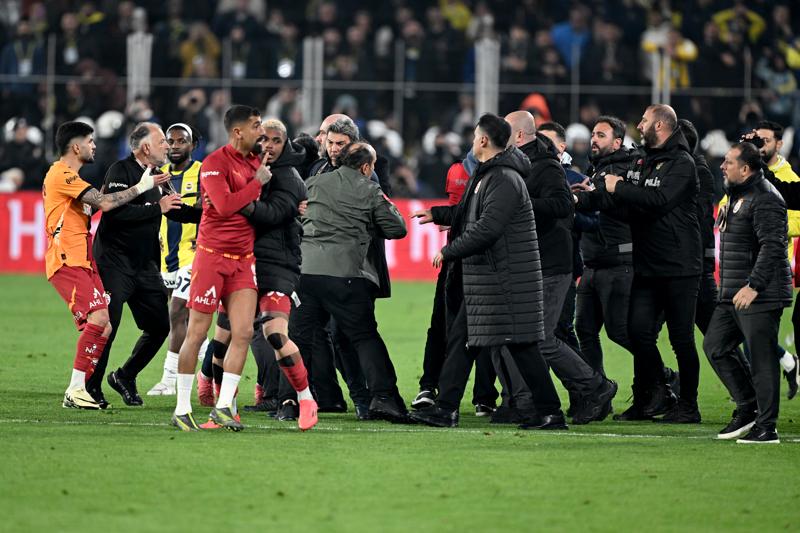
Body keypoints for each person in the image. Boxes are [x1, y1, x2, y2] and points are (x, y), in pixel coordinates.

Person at [409, 113, 568, 430]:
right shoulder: (490, 175)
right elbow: (471, 213)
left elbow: (488, 228)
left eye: (474, 137)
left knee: (521, 346)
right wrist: (439, 214)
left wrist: (449, 250)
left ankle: (550, 412)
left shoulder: (504, 178)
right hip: (488, 279)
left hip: (504, 280)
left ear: (483, 140)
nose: (471, 142)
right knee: (464, 340)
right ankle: (447, 409)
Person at [43, 121, 168, 409]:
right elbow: (106, 204)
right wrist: (142, 187)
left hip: (84, 261)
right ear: (76, 147)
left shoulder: (72, 178)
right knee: (100, 320)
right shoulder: (61, 174)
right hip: (67, 259)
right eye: (90, 141)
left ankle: (85, 388)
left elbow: (95, 203)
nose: (94, 145)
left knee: (105, 325)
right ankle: (77, 389)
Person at [504, 111, 617, 425]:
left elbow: (561, 205)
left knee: (542, 337)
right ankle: (535, 404)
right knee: (528, 337)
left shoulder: (546, 166)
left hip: (552, 264)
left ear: (519, 135)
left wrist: (522, 203)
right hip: (532, 262)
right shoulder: (518, 164)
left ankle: (595, 387)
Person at [288, 142, 410, 422]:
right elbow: (397, 228)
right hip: (345, 276)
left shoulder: (313, 183)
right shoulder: (369, 189)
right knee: (364, 337)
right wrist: (367, 224)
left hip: (305, 274)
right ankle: (384, 398)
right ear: (366, 167)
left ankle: (289, 402)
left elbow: (295, 217)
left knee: (299, 340)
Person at [171, 105, 275, 432]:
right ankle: (182, 408)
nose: (261, 131)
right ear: (238, 131)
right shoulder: (215, 163)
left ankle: (223, 407)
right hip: (211, 258)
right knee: (197, 332)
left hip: (243, 260)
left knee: (243, 332)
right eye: (256, 125)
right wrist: (257, 183)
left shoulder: (256, 161)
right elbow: (225, 205)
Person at [602, 104, 702, 423]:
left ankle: (689, 405)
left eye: (644, 120)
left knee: (681, 340)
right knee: (637, 333)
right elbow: (632, 207)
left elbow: (659, 201)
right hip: (647, 266)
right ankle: (653, 396)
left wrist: (619, 187)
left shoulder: (682, 163)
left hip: (679, 267)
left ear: (660, 125)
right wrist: (590, 199)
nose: (640, 125)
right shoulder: (644, 160)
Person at [89, 122, 198, 408]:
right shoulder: (120, 171)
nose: (168, 146)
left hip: (145, 265)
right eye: (162, 141)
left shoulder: (159, 176)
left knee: (160, 326)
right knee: (108, 326)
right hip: (114, 262)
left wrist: (211, 213)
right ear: (146, 147)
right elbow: (115, 215)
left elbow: (176, 210)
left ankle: (125, 376)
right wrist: (156, 208)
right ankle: (91, 387)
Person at [703, 142, 792, 444]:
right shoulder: (736, 194)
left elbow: (773, 246)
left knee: (762, 359)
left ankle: (767, 427)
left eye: (728, 162)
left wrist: (754, 285)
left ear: (745, 169)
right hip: (733, 292)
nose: (722, 166)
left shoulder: (766, 198)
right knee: (715, 346)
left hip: (759, 293)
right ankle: (748, 406)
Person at [236, 118, 316, 428]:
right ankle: (223, 404)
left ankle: (304, 398)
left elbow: (270, 214)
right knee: (232, 334)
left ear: (285, 144)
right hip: (241, 263)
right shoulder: (244, 168)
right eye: (263, 139)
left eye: (276, 140)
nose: (268, 145)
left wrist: (237, 200)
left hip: (277, 265)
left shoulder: (289, 177)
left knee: (275, 333)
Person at [573, 116, 635, 376]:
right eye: (593, 135)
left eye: (601, 135)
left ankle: (663, 377)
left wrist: (578, 198)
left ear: (617, 142)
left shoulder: (625, 170)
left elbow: (605, 200)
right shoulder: (595, 170)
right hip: (593, 262)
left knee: (620, 331)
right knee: (584, 330)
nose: (594, 140)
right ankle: (597, 390)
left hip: (617, 262)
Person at [147, 123, 205, 396]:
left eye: (182, 141)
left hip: (193, 254)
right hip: (165, 256)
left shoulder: (203, 172)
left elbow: (210, 210)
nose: (175, 146)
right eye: (170, 141)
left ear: (193, 145)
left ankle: (169, 379)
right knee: (181, 316)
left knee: (177, 311)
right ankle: (206, 353)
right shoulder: (157, 176)